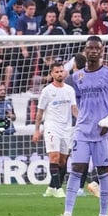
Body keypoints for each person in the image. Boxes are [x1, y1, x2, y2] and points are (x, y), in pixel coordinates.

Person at [56, 36, 108, 216]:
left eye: (97, 48)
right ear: (85, 51)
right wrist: (83, 117)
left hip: (102, 132)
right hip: (82, 131)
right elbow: (78, 101)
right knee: (76, 169)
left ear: (102, 50)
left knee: (103, 171)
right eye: (90, 48)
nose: (94, 51)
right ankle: (67, 214)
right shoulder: (77, 77)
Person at [34, 61, 78, 198]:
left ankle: (51, 187)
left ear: (64, 72)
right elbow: (40, 112)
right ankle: (58, 188)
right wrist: (37, 130)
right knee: (54, 156)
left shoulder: (70, 90)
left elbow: (74, 109)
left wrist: (82, 121)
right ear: (52, 74)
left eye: (61, 71)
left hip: (67, 128)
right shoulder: (47, 91)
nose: (59, 74)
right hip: (52, 127)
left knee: (63, 160)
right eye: (56, 72)